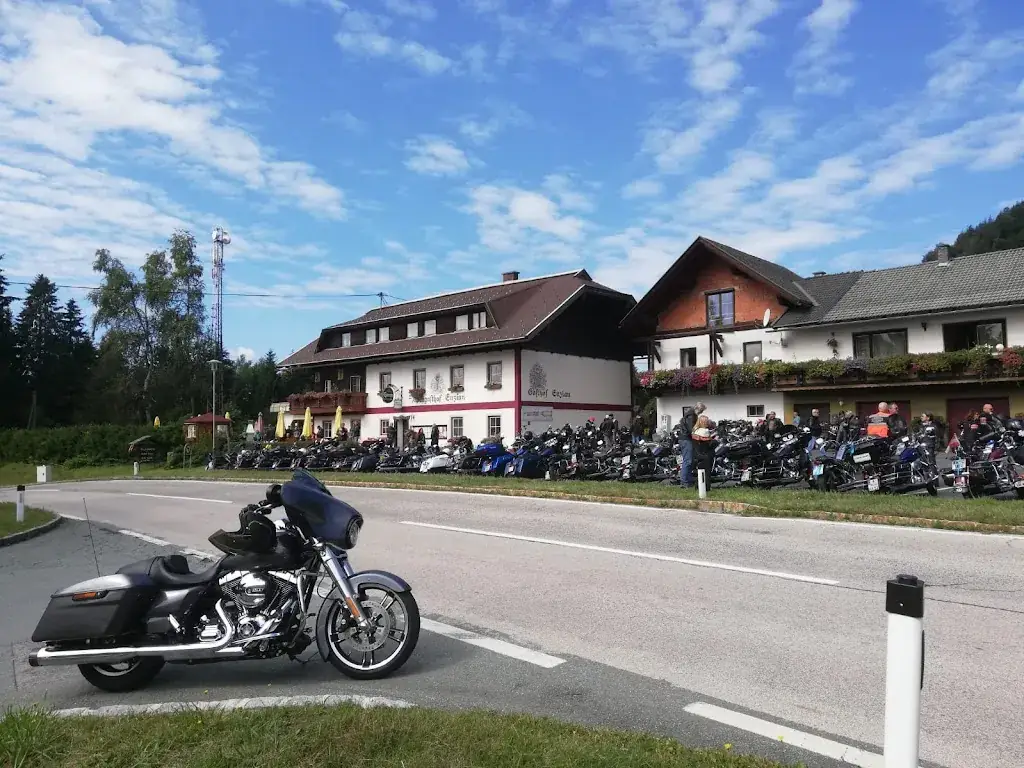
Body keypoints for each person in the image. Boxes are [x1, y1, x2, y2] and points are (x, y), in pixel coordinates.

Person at [678, 402, 705, 488]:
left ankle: (688, 480)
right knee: (688, 460)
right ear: (697, 409)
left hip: (686, 439)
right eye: (701, 411)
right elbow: (691, 429)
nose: (701, 413)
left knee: (691, 460)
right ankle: (684, 481)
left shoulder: (689, 414)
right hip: (686, 439)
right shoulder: (691, 416)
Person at [691, 414, 716, 491]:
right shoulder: (705, 431)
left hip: (697, 454)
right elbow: (708, 444)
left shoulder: (695, 430)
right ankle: (707, 487)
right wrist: (714, 440)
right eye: (707, 421)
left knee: (700, 471)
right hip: (705, 454)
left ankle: (697, 486)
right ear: (705, 422)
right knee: (707, 472)